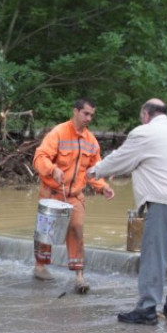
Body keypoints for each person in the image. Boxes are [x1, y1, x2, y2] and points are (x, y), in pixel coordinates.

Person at [87, 98, 167, 325]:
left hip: (165, 201)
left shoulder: (145, 132)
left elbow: (121, 159)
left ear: (146, 114)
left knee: (155, 256)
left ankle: (147, 309)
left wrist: (94, 171)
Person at [32, 98, 115, 293]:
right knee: (46, 232)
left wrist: (103, 187)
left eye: (92, 115)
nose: (89, 118)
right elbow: (39, 157)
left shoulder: (91, 141)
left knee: (77, 229)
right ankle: (40, 266)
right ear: (76, 111)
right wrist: (53, 170)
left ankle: (79, 276)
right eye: (86, 113)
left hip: (75, 195)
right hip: (52, 192)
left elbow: (93, 170)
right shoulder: (59, 132)